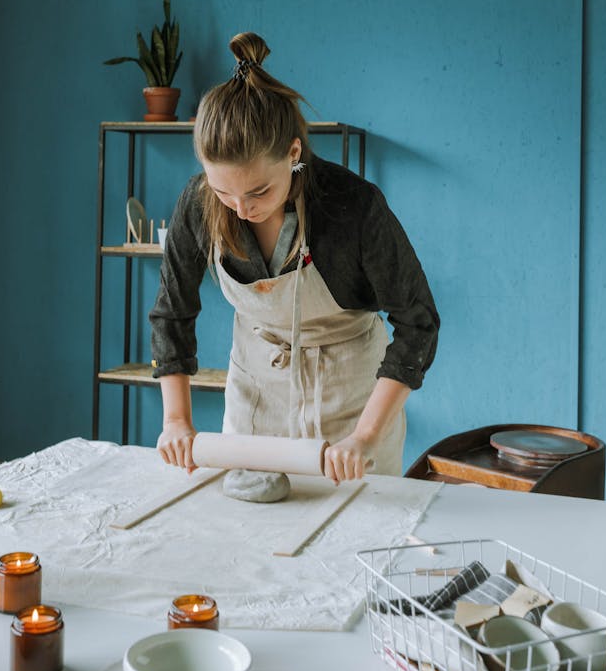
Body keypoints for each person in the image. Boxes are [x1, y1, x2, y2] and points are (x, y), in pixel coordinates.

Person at [150, 32, 439, 483]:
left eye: (259, 191)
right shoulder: (199, 201)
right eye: (224, 191)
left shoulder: (353, 206)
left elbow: (418, 322)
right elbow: (173, 311)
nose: (241, 209)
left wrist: (365, 436)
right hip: (255, 391)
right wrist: (176, 421)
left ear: (294, 153)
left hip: (351, 400)